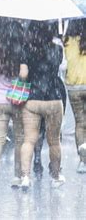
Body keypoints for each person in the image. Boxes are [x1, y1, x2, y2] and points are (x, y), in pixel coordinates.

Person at [19, 22, 65, 189]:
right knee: (54, 141)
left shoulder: (27, 49)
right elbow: (56, 69)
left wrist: (25, 70)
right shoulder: (58, 49)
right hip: (54, 98)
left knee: (29, 140)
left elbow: (23, 75)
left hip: (33, 99)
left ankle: (25, 177)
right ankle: (56, 176)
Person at [0, 22, 24, 191]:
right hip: (16, 100)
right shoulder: (21, 53)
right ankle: (17, 176)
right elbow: (23, 76)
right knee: (19, 139)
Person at [64, 19, 86, 173]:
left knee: (80, 123)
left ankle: (83, 160)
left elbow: (63, 64)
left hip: (73, 88)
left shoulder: (66, 42)